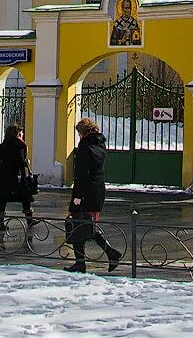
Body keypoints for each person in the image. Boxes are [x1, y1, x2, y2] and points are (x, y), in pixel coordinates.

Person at [67, 117, 120, 273]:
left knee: (77, 224)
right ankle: (110, 254)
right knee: (87, 225)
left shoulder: (85, 146)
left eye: (79, 133)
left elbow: (83, 173)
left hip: (85, 192)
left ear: (82, 132)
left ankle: (81, 263)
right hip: (97, 191)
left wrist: (77, 197)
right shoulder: (100, 145)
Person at [0, 123, 35, 236]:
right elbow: (20, 160)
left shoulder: (3, 145)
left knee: (2, 200)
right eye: (20, 131)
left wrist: (2, 169)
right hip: (17, 177)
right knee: (25, 197)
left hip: (4, 177)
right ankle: (29, 220)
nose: (22, 133)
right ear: (17, 133)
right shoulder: (19, 145)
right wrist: (24, 165)